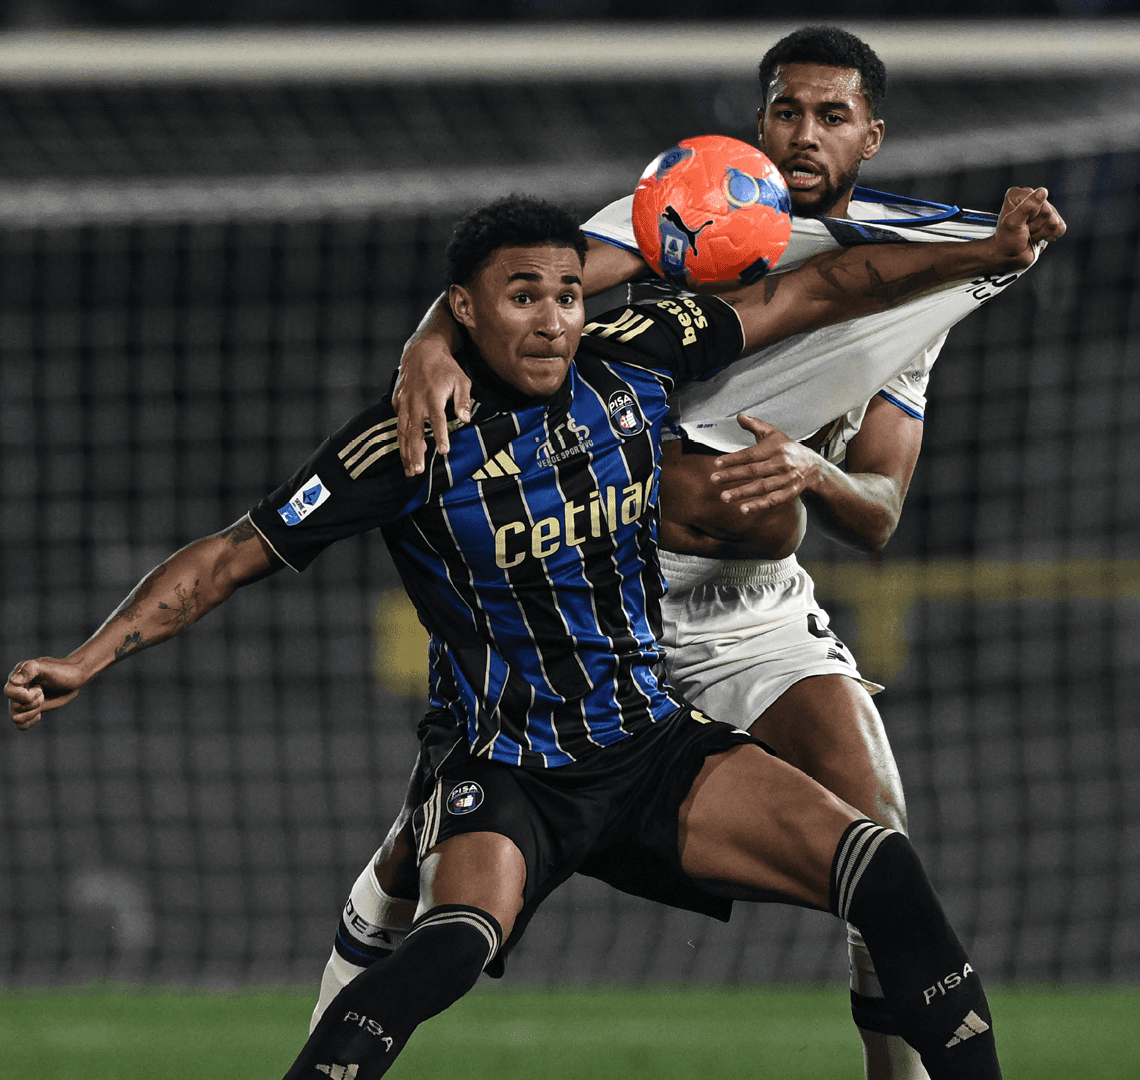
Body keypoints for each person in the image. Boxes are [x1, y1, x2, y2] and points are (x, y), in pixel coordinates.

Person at [4, 190, 1062, 1079]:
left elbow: (819, 288)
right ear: (464, 311)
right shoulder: (406, 441)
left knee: (881, 867)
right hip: (507, 766)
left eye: (567, 292)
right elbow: (232, 554)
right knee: (452, 945)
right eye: (524, 297)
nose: (554, 319)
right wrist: (87, 658)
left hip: (647, 745)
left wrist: (985, 251)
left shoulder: (636, 357)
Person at [364, 26, 1038, 1080]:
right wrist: (423, 347)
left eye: (831, 116)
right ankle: (345, 1004)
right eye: (786, 110)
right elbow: (515, 287)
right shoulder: (695, 202)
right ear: (759, 119)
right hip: (601, 592)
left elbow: (877, 513)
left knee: (880, 836)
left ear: (871, 135)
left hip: (755, 608)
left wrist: (814, 474)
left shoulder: (915, 288)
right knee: (433, 871)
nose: (804, 134)